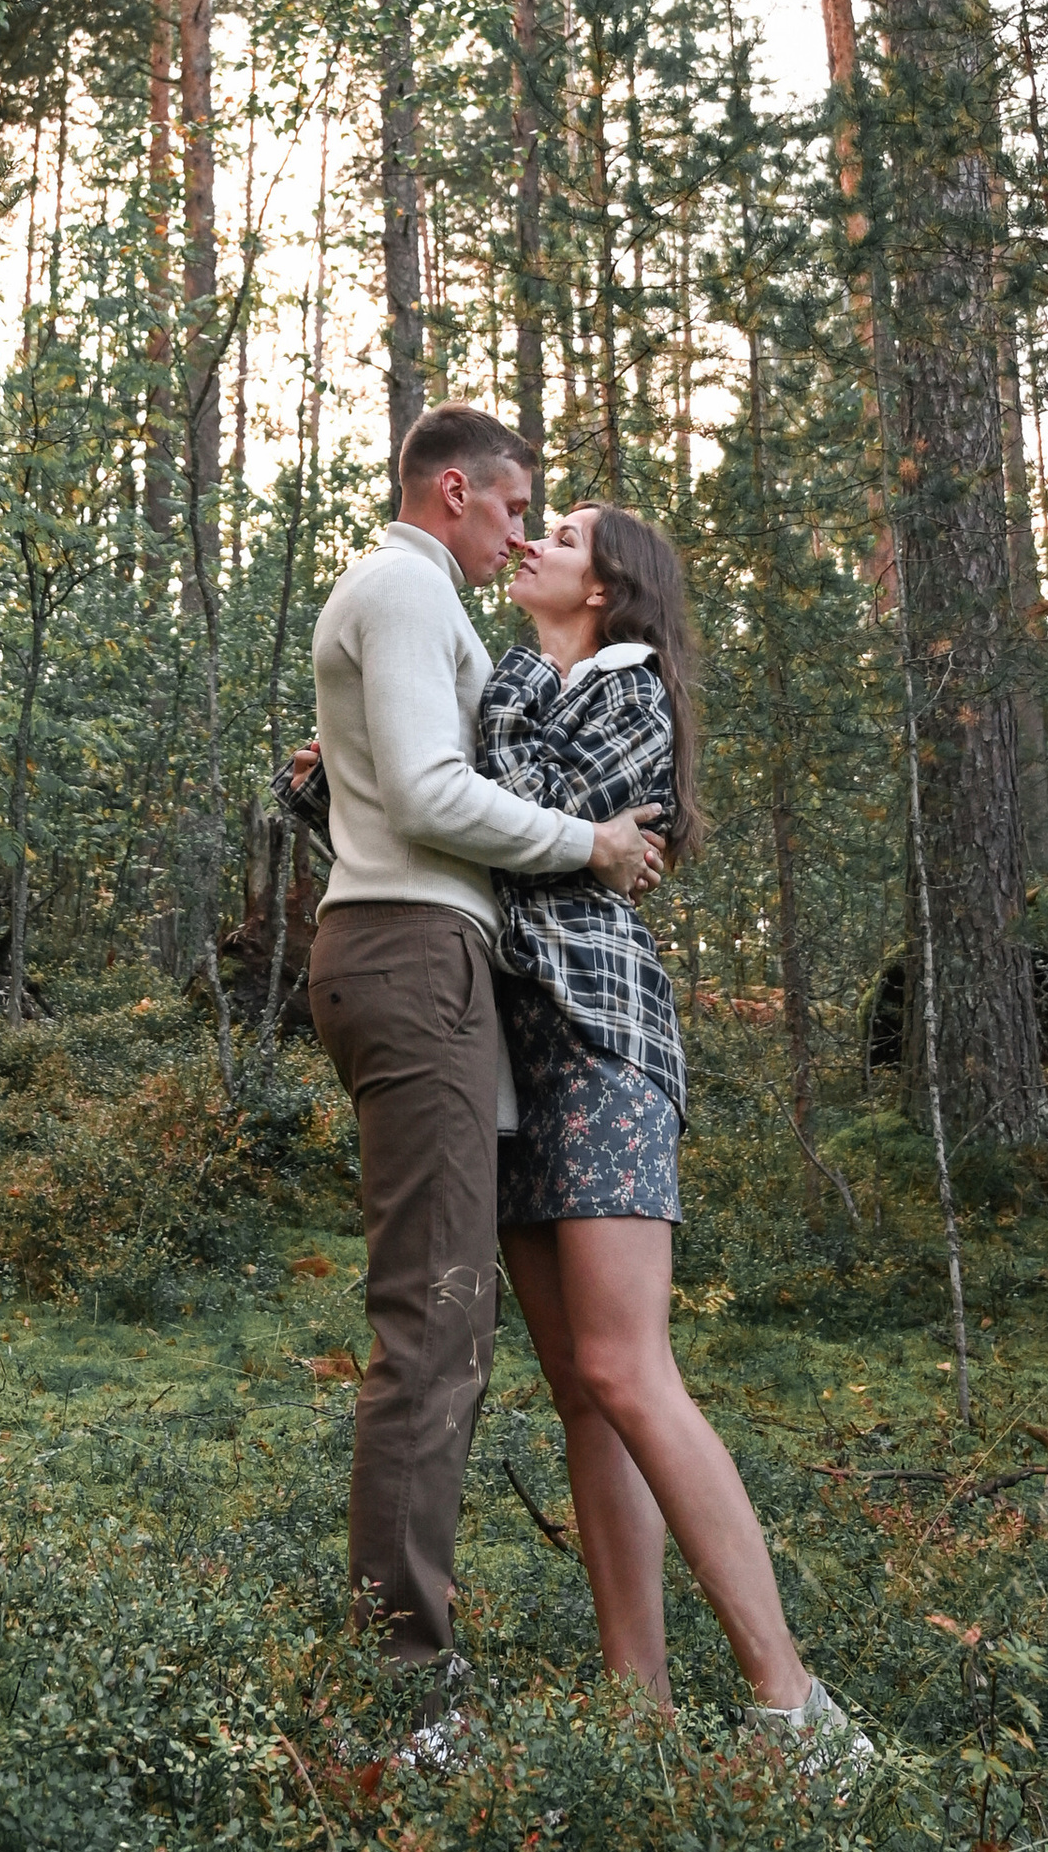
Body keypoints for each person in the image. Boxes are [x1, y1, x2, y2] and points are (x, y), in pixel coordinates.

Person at [485, 500, 869, 1775]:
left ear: (606, 588)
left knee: (625, 1366)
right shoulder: (513, 676)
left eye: (567, 533)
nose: (534, 538)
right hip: (501, 1044)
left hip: (599, 1037)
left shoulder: (628, 692)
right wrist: (333, 790)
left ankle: (792, 1705)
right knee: (580, 1394)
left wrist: (455, 757)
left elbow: (534, 820)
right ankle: (633, 1713)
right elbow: (472, 840)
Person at [291, 404, 665, 1683]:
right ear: (453, 491)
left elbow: (402, 778)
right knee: (435, 1324)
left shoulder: (424, 612)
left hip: (428, 958)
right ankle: (403, 1682)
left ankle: (417, 1666)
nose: (519, 537)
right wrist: (595, 846)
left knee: (447, 1319)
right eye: (514, 510)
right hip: (409, 956)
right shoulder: (403, 592)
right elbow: (430, 796)